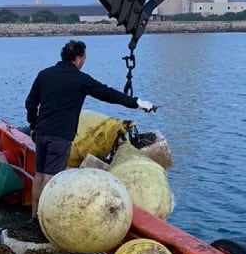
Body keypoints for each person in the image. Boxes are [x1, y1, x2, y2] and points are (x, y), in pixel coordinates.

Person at [25, 40, 155, 221]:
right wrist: (137, 103)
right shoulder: (80, 79)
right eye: (84, 58)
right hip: (60, 137)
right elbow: (107, 93)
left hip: (42, 134)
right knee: (50, 178)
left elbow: (30, 103)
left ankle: (33, 217)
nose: (84, 61)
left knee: (38, 176)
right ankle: (43, 221)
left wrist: (33, 125)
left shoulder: (44, 75)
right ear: (77, 59)